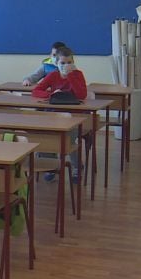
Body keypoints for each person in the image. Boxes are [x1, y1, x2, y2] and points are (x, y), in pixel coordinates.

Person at [31, 46, 86, 182]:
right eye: (62, 63)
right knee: (46, 137)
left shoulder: (78, 75)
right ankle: (51, 166)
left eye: (69, 62)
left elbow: (81, 95)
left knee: (69, 140)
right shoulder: (53, 75)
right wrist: (51, 94)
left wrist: (71, 76)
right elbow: (36, 91)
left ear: (73, 62)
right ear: (56, 63)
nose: (66, 65)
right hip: (54, 115)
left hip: (73, 116)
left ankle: (76, 168)